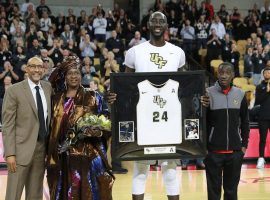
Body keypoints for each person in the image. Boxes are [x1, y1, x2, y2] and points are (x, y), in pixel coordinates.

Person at [108, 11, 185, 200]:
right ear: (147, 25)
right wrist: (115, 97)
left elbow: (185, 85)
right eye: (154, 21)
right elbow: (125, 84)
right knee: (141, 167)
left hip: (170, 116)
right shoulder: (135, 51)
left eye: (161, 21)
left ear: (166, 26)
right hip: (143, 115)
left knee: (170, 168)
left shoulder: (177, 52)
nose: (157, 24)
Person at [46, 55, 114, 199]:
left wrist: (97, 131)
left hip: (88, 152)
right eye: (70, 73)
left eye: (76, 73)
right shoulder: (56, 98)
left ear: (81, 75)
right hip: (62, 153)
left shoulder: (93, 96)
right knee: (66, 189)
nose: (73, 76)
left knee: (89, 188)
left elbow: (106, 118)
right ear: (65, 77)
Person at [2, 56, 52, 200]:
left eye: (40, 67)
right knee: (13, 194)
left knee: (35, 194)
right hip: (19, 152)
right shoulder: (14, 90)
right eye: (33, 66)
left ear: (44, 69)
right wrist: (10, 153)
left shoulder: (48, 88)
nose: (37, 70)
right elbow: (8, 125)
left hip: (41, 149)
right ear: (27, 68)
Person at [202, 62, 250, 200]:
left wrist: (244, 146)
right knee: (213, 193)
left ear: (233, 75)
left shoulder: (240, 94)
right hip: (213, 153)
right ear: (217, 74)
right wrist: (205, 148)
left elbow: (245, 122)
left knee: (231, 192)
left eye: (227, 73)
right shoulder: (208, 93)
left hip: (235, 153)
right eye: (221, 72)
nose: (223, 76)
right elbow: (202, 123)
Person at [255, 67, 270, 169]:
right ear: (263, 74)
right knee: (263, 139)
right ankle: (261, 158)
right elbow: (258, 101)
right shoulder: (260, 86)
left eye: (269, 72)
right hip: (263, 116)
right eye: (266, 73)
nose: (268, 74)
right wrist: (267, 91)